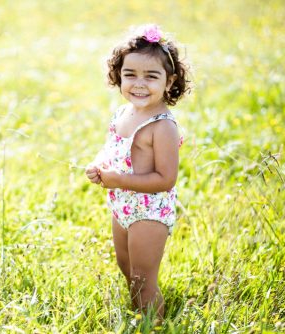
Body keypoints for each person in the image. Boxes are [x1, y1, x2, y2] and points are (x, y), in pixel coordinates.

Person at [85, 24, 190, 318]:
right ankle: (138, 315)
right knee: (126, 265)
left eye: (151, 76)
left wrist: (118, 179)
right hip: (122, 204)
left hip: (149, 210)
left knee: (143, 279)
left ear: (169, 82)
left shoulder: (162, 126)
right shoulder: (123, 113)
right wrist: (99, 164)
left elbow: (165, 179)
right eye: (130, 74)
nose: (139, 83)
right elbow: (110, 148)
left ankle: (153, 323)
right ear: (118, 75)